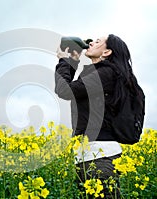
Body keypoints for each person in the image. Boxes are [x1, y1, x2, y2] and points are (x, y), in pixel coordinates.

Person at [55, 34, 140, 198]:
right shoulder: (98, 74)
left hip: (100, 156)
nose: (91, 42)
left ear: (107, 52)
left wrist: (64, 60)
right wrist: (72, 61)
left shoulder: (107, 74)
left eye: (98, 41)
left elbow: (64, 90)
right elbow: (71, 89)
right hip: (87, 155)